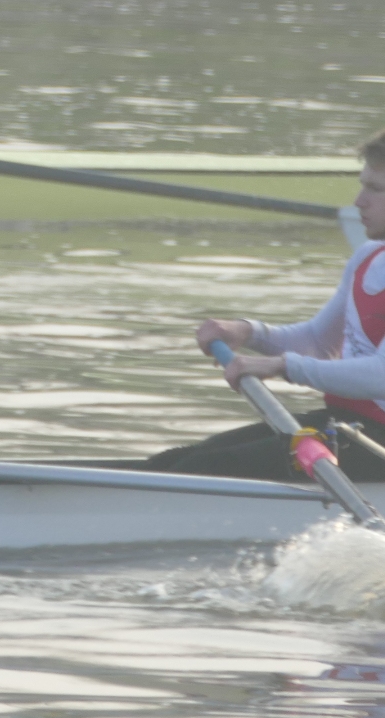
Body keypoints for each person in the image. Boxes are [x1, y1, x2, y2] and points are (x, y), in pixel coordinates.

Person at [148, 131, 385, 483]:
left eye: (375, 189)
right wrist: (249, 332)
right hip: (349, 427)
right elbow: (319, 343)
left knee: (205, 470)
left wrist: (282, 365)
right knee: (174, 462)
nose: (358, 201)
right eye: (361, 185)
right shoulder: (369, 257)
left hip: (376, 444)